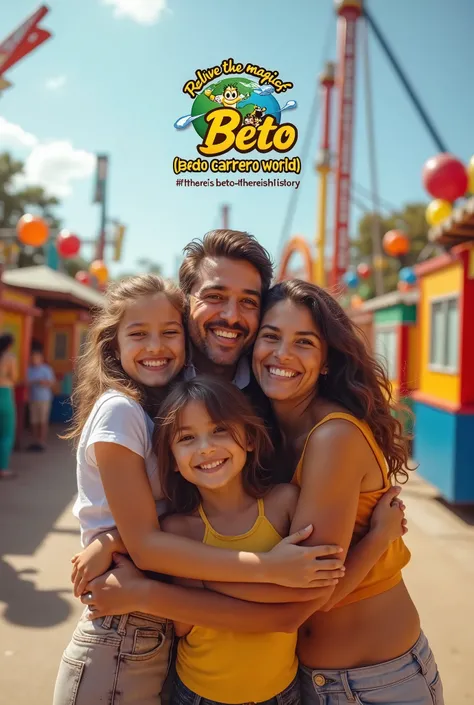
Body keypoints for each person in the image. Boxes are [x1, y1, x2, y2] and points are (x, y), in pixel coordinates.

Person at [53, 274, 341, 705]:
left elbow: (144, 521)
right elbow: (147, 542)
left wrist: (113, 539)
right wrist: (268, 566)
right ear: (113, 346)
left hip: (157, 622)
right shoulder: (120, 412)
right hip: (124, 626)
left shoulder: (158, 413)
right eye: (138, 334)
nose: (155, 346)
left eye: (169, 332)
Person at [248, 279, 444, 705]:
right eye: (271, 336)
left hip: (378, 683)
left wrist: (377, 540)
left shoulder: (332, 436)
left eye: (304, 342)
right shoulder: (265, 431)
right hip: (310, 680)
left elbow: (314, 595)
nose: (282, 354)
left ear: (324, 361)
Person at [27, 342, 55, 451]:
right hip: (33, 398)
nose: (34, 359)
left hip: (44, 399)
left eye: (36, 357)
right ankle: (35, 441)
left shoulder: (46, 369)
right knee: (33, 421)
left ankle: (41, 441)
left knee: (43, 421)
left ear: (41, 358)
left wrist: (43, 382)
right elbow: (26, 382)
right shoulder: (29, 369)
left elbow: (52, 382)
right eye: (33, 357)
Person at [0, 333, 18, 479]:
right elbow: (14, 377)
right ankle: (3, 468)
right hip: (5, 394)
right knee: (6, 433)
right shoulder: (10, 358)